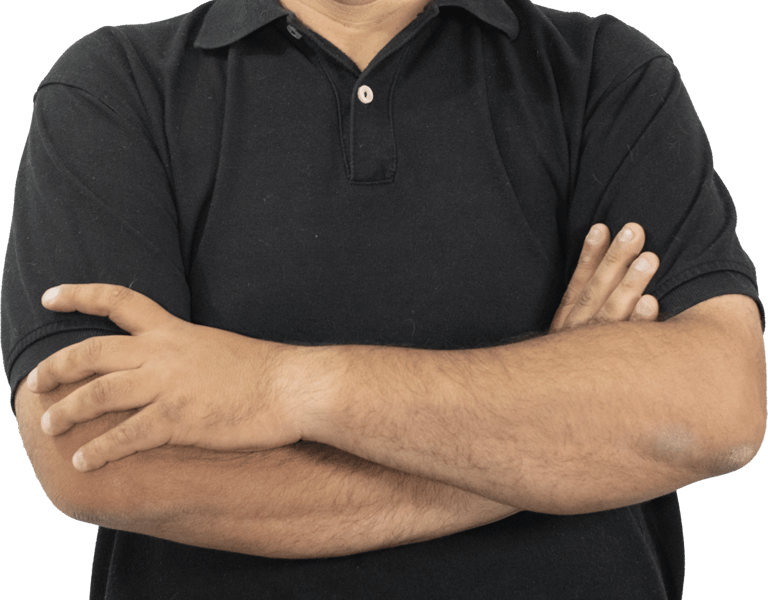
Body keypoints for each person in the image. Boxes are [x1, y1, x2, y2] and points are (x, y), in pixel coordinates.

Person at [2, 0, 765, 598]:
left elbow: (719, 404)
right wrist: (561, 450)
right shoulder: (114, 88)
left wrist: (283, 387)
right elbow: (92, 455)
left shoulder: (605, 74)